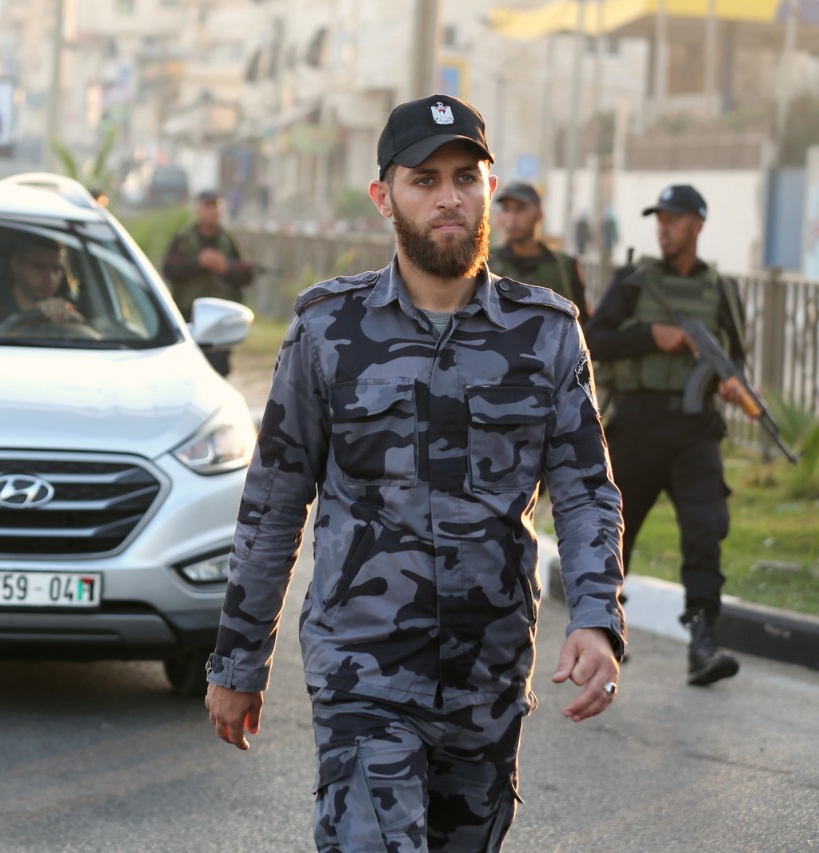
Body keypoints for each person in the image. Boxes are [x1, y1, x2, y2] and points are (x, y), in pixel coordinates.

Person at [204, 93, 626, 850]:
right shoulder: (328, 330)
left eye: (465, 176)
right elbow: (274, 502)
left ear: (489, 189)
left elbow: (586, 490)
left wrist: (596, 617)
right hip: (362, 669)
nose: (448, 198)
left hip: (488, 675)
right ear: (384, 196)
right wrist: (239, 658)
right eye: (423, 180)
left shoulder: (546, 334)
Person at [585, 184, 746, 687]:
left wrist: (734, 382)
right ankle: (606, 630)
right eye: (660, 218)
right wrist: (651, 337)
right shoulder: (635, 282)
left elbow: (734, 354)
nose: (665, 227)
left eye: (675, 219)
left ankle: (703, 640)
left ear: (698, 224)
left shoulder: (721, 289)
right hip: (637, 422)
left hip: (696, 427)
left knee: (706, 528)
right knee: (617, 531)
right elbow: (593, 339)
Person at [162, 189, 256, 375]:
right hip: (190, 316)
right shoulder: (183, 239)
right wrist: (199, 263)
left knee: (218, 371)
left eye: (217, 206)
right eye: (208, 206)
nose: (213, 211)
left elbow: (247, 274)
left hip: (221, 319)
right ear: (198, 209)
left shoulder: (228, 240)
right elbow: (169, 270)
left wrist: (224, 268)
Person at [488, 181, 591, 323]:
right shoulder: (487, 262)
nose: (512, 217)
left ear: (539, 215)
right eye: (506, 209)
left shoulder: (564, 267)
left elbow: (582, 323)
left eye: (521, 209)